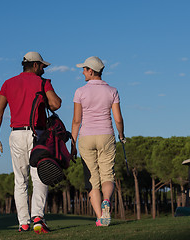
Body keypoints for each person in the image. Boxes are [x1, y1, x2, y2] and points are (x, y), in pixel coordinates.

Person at [0, 51, 62, 234]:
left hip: (15, 135)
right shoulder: (42, 82)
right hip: (37, 135)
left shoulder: (8, 83)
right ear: (36, 65)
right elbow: (56, 104)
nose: (44, 70)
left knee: (20, 181)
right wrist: (44, 100)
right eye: (42, 67)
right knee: (40, 177)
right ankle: (38, 217)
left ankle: (23, 223)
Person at [71, 56, 125, 227]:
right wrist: (121, 135)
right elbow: (118, 118)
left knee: (92, 180)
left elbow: (76, 121)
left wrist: (72, 144)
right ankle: (107, 200)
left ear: (91, 71)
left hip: (86, 137)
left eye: (84, 69)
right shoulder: (112, 91)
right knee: (108, 175)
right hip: (106, 135)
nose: (82, 72)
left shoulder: (80, 91)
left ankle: (100, 218)